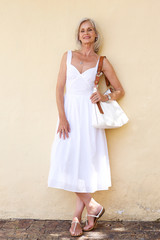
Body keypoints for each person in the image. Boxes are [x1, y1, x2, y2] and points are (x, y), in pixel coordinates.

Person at [48, 18, 125, 237]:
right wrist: (62, 117)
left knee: (85, 164)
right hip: (69, 116)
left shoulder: (102, 61)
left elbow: (119, 90)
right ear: (78, 35)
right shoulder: (68, 56)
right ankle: (93, 206)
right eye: (82, 30)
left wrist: (104, 95)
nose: (86, 33)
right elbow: (59, 89)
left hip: (90, 117)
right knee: (65, 160)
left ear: (95, 35)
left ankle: (77, 219)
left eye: (90, 30)